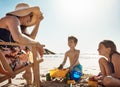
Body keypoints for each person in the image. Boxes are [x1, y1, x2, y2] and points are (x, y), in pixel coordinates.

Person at [0, 3, 44, 85]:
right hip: (5, 61)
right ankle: (32, 78)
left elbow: (31, 38)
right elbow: (18, 37)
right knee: (31, 50)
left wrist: (38, 22)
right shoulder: (12, 19)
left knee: (29, 48)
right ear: (24, 13)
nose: (30, 19)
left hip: (7, 58)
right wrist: (37, 44)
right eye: (30, 16)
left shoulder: (16, 24)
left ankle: (29, 76)